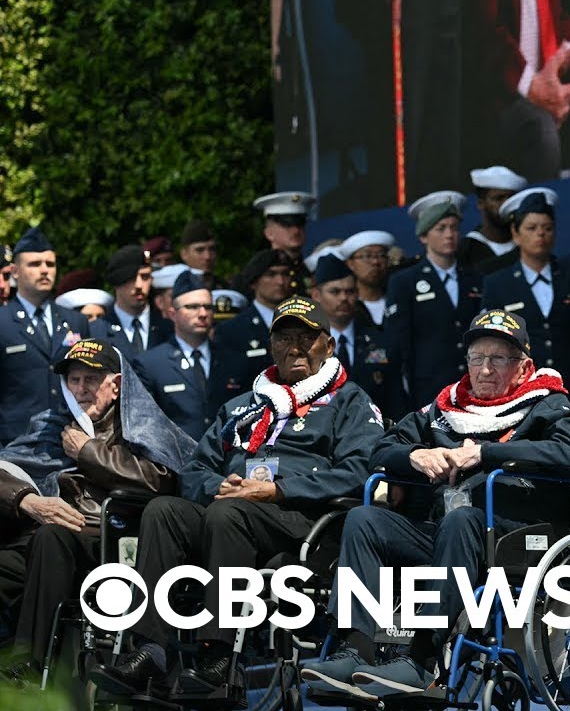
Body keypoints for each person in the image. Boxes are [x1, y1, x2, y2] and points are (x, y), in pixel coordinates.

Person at [92, 296, 384, 698]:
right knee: (164, 511)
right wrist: (221, 487)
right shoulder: (243, 406)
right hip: (234, 512)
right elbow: (194, 470)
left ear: (329, 346)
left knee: (228, 514)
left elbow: (358, 473)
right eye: (284, 338)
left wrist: (277, 490)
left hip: (304, 524)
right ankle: (152, 652)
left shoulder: (350, 401)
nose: (295, 347)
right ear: (271, 346)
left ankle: (223, 658)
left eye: (306, 337)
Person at [299, 309, 570, 696]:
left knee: (462, 520)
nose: (485, 369)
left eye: (498, 359)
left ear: (524, 366)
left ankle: (422, 659)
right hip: (447, 533)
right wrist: (416, 456)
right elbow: (381, 450)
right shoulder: (445, 408)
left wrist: (486, 453)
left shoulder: (546, 403)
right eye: (477, 359)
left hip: (515, 534)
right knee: (364, 518)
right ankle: (356, 646)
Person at [0, 339, 191, 680]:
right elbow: (6, 468)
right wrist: (27, 499)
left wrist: (88, 451)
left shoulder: (140, 424)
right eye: (74, 380)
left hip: (112, 538)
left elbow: (161, 477)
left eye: (91, 379)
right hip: (46, 536)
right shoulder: (51, 424)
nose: (81, 389)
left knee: (52, 537)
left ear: (116, 385)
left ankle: (30, 665)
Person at [465, 0, 570, 182]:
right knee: (541, 126)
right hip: (505, 100)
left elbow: (559, 19)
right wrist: (532, 86)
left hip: (553, 90)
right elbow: (486, 32)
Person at [481, 188, 570, 410]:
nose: (540, 234)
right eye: (531, 228)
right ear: (515, 233)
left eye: (547, 228)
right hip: (522, 394)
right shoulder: (498, 284)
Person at [386, 193, 485, 417]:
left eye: (454, 227)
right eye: (440, 228)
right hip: (428, 389)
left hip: (473, 387)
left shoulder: (475, 278)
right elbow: (398, 342)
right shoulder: (405, 281)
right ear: (423, 236)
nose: (449, 234)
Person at [0, 228, 92, 446]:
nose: (44, 271)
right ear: (15, 271)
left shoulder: (76, 321)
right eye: (34, 264)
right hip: (14, 443)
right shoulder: (2, 321)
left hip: (69, 440)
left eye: (50, 264)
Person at [136, 272, 221, 441]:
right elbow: (145, 425)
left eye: (208, 307)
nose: (203, 313)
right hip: (177, 462)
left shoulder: (231, 357)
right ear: (172, 314)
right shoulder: (151, 364)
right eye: (192, 307)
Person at [310, 254, 395, 416]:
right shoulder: (307, 345)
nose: (344, 298)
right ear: (316, 295)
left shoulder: (379, 341)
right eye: (335, 292)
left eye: (350, 291)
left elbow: (394, 397)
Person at [210, 249, 294, 406]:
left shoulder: (302, 323)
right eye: (271, 274)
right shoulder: (232, 330)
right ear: (254, 282)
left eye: (285, 274)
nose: (280, 281)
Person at [89, 244, 174, 359]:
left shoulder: (169, 328)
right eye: (131, 278)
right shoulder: (96, 331)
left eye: (145, 277)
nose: (139, 285)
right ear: (116, 281)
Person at [457, 167, 526, 270]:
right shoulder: (465, 250)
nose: (506, 204)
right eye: (498, 198)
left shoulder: (528, 244)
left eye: (511, 198)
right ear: (481, 204)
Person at [253, 191, 316, 295]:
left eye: (300, 224)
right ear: (269, 233)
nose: (296, 230)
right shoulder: (258, 273)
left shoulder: (312, 271)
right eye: (287, 225)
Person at [339, 230, 397, 327]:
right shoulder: (344, 307)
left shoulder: (398, 299)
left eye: (381, 255)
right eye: (367, 256)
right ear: (350, 264)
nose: (375, 262)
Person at [179, 219, 226, 289]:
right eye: (199, 250)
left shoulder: (223, 285)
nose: (208, 256)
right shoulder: (178, 285)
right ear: (184, 254)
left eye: (212, 249)